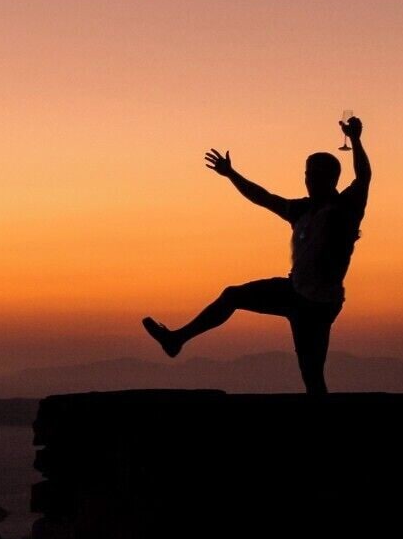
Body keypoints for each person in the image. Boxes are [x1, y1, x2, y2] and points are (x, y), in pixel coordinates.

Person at [142, 116, 370, 394]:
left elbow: (363, 176)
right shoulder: (300, 210)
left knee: (312, 376)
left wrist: (356, 139)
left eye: (314, 174)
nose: (308, 179)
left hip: (318, 306)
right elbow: (262, 197)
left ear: (330, 178)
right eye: (307, 173)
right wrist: (231, 174)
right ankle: (176, 339)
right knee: (232, 295)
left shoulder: (345, 208)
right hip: (294, 292)